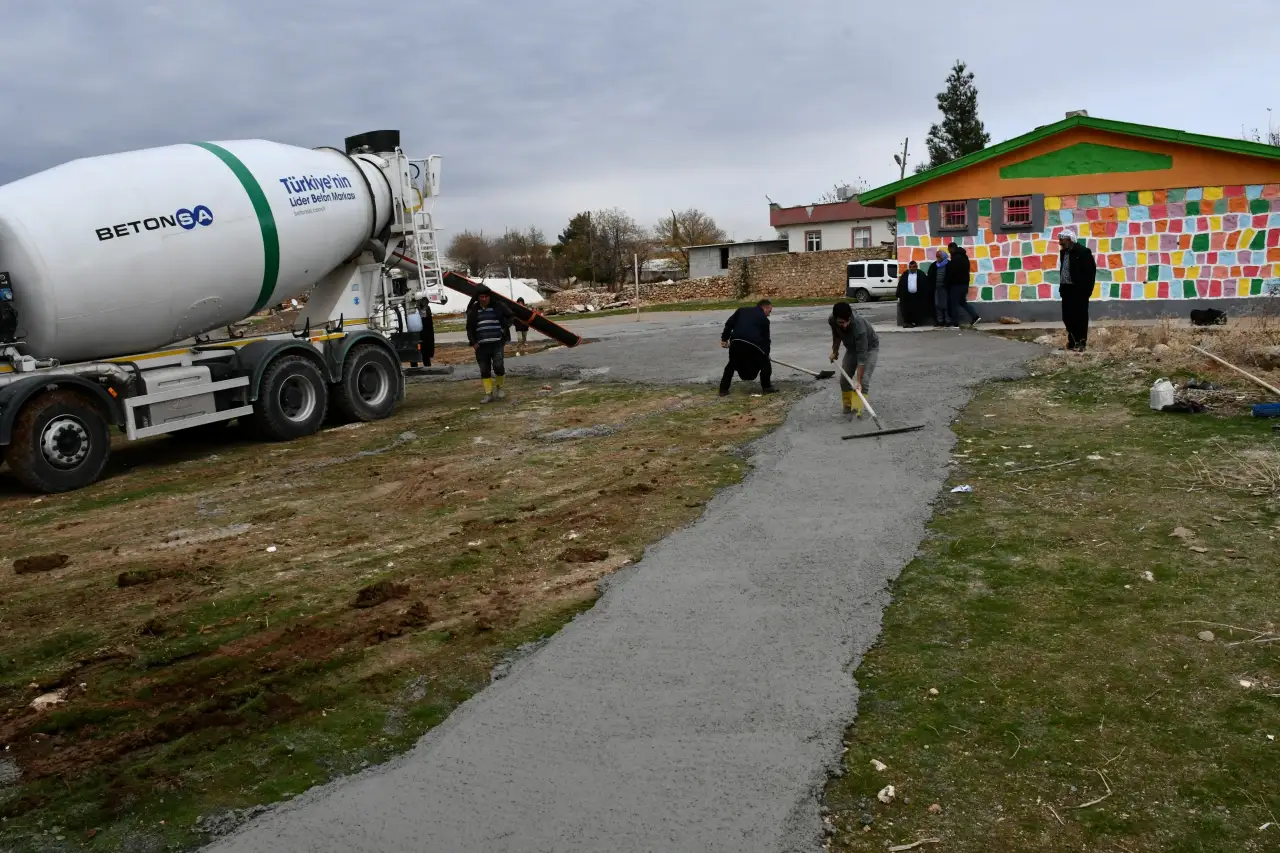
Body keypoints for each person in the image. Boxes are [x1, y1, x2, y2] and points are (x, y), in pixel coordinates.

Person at [829, 301, 879, 418]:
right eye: (841, 322)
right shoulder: (832, 320)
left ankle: (858, 411)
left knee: (863, 381)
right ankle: (847, 409)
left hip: (869, 348)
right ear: (835, 318)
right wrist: (835, 351)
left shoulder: (859, 325)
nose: (845, 325)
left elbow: (862, 356)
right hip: (851, 348)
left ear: (850, 317)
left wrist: (858, 381)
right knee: (844, 380)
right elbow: (836, 335)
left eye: (847, 322)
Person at [719, 299, 778, 396]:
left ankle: (723, 390)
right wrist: (766, 354)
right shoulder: (764, 319)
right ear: (765, 307)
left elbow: (729, 324)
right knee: (766, 366)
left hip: (736, 342)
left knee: (731, 365)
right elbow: (766, 339)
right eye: (769, 311)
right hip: (753, 344)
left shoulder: (741, 310)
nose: (769, 314)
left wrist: (724, 339)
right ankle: (766, 387)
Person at [465, 286, 512, 403]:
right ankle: (488, 394)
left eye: (486, 296)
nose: (484, 299)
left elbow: (511, 315)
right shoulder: (474, 310)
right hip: (481, 346)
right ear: (478, 298)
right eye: (482, 297)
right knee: (484, 370)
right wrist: (473, 343)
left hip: (497, 343)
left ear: (489, 297)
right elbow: (469, 328)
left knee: (499, 366)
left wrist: (505, 328)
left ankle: (500, 388)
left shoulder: (498, 306)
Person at [1057, 228, 1097, 351]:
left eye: (1062, 240)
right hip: (1066, 289)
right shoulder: (1064, 252)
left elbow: (1090, 273)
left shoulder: (1083, 252)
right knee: (1067, 317)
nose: (1060, 243)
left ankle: (1081, 343)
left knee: (1080, 317)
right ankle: (1072, 342)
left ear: (1069, 240)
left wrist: (1087, 291)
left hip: (1079, 291)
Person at [946, 241, 980, 328]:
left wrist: (949, 281)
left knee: (953, 303)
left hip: (957, 284)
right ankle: (975, 316)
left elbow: (953, 272)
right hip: (964, 284)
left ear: (952, 248)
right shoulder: (964, 257)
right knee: (962, 302)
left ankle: (955, 322)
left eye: (949, 250)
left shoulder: (956, 258)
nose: (949, 252)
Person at [895, 260, 928, 327]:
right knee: (906, 309)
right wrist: (898, 294)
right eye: (910, 267)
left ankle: (915, 322)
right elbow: (901, 284)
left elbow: (925, 284)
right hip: (907, 296)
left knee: (916, 309)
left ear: (916, 267)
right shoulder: (905, 274)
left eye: (914, 267)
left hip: (917, 296)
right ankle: (907, 322)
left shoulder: (921, 274)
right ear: (909, 267)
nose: (912, 268)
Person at [928, 249, 951, 327]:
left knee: (946, 305)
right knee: (937, 304)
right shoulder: (934, 265)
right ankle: (940, 320)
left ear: (943, 257)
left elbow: (952, 276)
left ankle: (948, 320)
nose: (937, 258)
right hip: (936, 288)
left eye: (939, 256)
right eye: (936, 256)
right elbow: (930, 275)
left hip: (946, 288)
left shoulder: (949, 264)